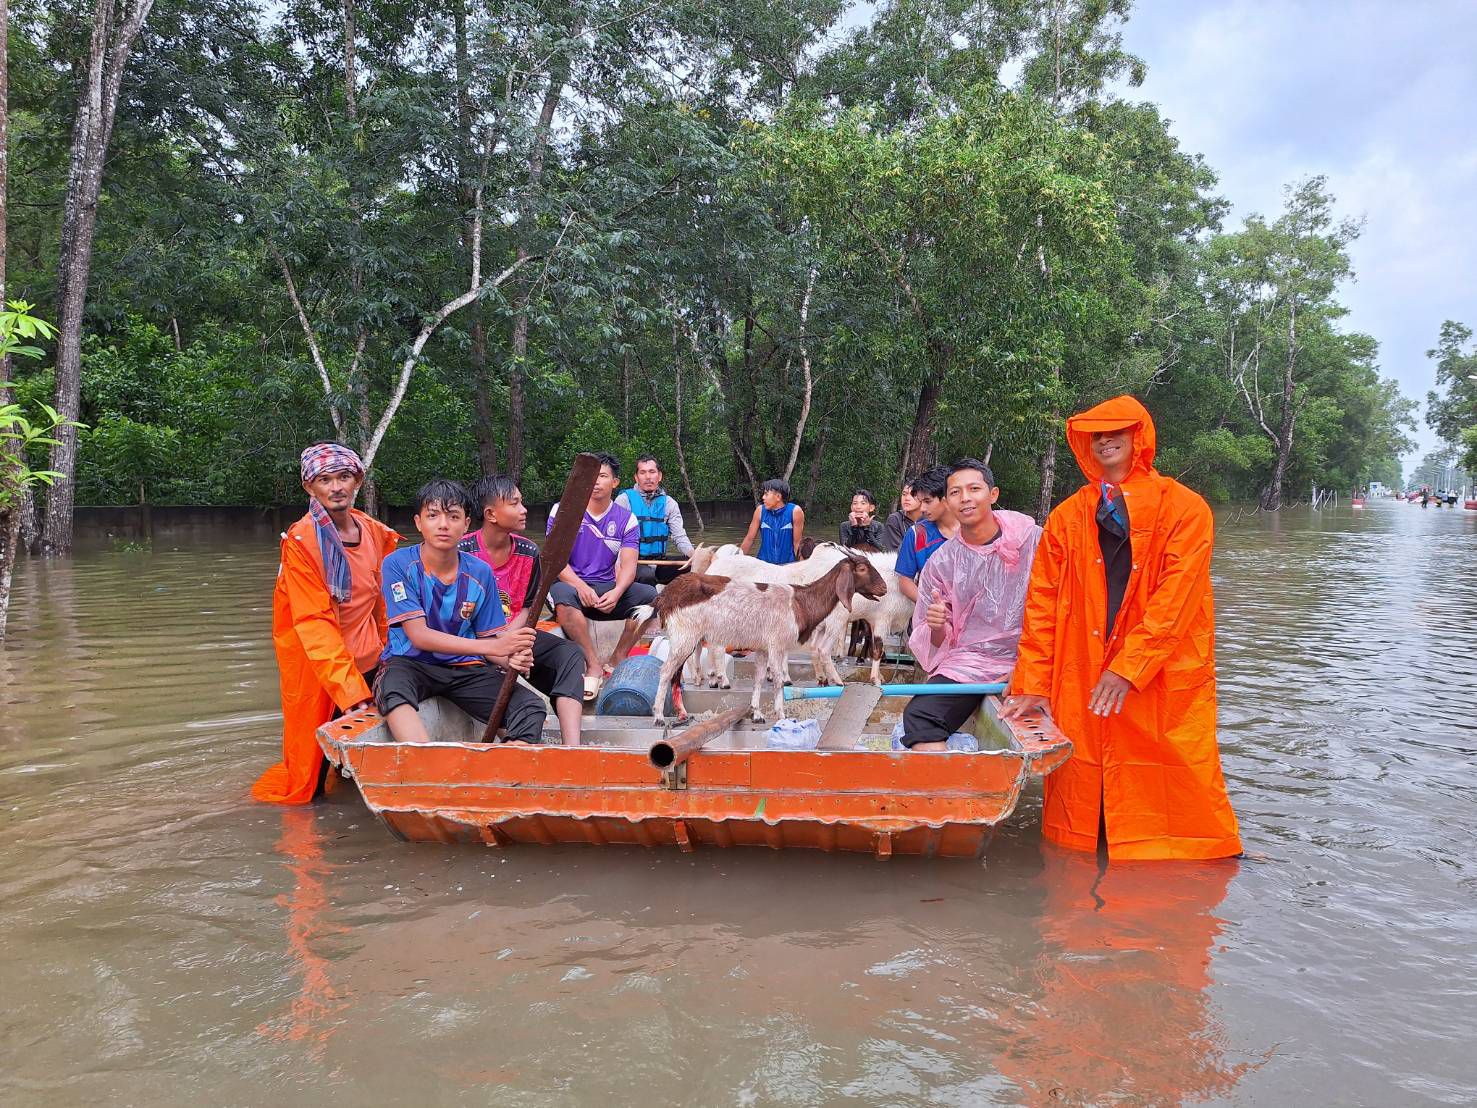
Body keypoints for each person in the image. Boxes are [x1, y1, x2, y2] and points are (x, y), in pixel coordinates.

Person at [1002, 395, 1242, 861]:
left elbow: (1177, 598)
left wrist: (1128, 667)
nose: (1105, 441)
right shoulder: (1067, 516)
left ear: (1140, 437)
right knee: (1082, 777)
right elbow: (1042, 604)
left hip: (1161, 670)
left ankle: (1194, 862)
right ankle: (1086, 866)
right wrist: (1032, 682)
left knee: (1173, 767)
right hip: (1082, 663)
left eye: (1117, 432)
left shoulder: (1185, 508)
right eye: (1096, 435)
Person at [253, 443, 400, 804]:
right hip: (320, 674)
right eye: (325, 480)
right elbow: (313, 622)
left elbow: (385, 606)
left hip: (371, 662)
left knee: (363, 772)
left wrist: (394, 656)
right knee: (307, 788)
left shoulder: (375, 533)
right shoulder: (301, 543)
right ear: (310, 487)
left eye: (344, 477)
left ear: (357, 481)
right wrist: (350, 692)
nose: (336, 487)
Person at [375, 479, 544, 743]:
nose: (443, 525)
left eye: (453, 516)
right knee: (392, 689)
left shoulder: (480, 571)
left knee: (531, 707)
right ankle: (423, 757)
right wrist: (496, 648)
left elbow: (490, 637)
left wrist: (510, 657)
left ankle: (509, 759)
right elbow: (419, 636)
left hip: (463, 667)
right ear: (419, 522)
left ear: (466, 524)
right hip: (410, 663)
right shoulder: (397, 563)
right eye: (433, 516)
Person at [901, 459, 1041, 751]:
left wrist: (1030, 667)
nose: (965, 498)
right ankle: (947, 781)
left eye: (974, 489)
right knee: (919, 717)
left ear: (993, 494)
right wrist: (937, 625)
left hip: (1034, 658)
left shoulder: (1033, 541)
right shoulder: (942, 562)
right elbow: (935, 642)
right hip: (971, 662)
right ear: (947, 501)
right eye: (955, 492)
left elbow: (1061, 608)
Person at [461, 475, 587, 744]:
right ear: (491, 514)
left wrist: (509, 638)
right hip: (472, 641)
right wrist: (497, 644)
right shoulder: (462, 552)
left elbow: (528, 607)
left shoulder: (529, 551)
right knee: (493, 666)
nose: (524, 509)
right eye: (514, 503)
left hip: (514, 632)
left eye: (521, 502)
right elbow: (457, 619)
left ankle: (572, 747)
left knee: (569, 654)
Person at [545, 452, 658, 696]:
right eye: (591, 476)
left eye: (603, 476)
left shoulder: (626, 519)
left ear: (615, 482)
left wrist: (617, 592)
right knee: (560, 593)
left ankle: (619, 656)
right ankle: (593, 663)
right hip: (571, 586)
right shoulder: (563, 510)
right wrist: (580, 586)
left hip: (606, 590)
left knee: (650, 597)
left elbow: (629, 566)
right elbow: (555, 561)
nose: (596, 481)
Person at [620, 454, 694, 585]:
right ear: (636, 477)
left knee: (692, 566)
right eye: (643, 472)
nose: (648, 477)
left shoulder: (670, 503)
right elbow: (614, 540)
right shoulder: (624, 500)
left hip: (659, 561)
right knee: (646, 575)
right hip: (632, 563)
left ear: (659, 476)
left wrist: (694, 555)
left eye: (652, 472)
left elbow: (680, 537)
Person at [896, 465, 958, 603]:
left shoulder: (972, 530)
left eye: (928, 501)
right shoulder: (917, 534)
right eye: (921, 502)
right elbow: (905, 581)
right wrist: (929, 605)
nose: (922, 508)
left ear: (947, 498)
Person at [739, 478, 805, 565]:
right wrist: (737, 561)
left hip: (788, 566)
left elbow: (797, 543)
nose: (763, 497)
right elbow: (749, 539)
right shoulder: (760, 511)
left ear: (778, 497)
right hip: (763, 565)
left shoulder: (795, 511)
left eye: (766, 494)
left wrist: (802, 567)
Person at [882, 481, 922, 551]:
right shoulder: (895, 520)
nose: (907, 498)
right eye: (904, 494)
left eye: (913, 495)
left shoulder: (930, 520)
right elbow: (896, 553)